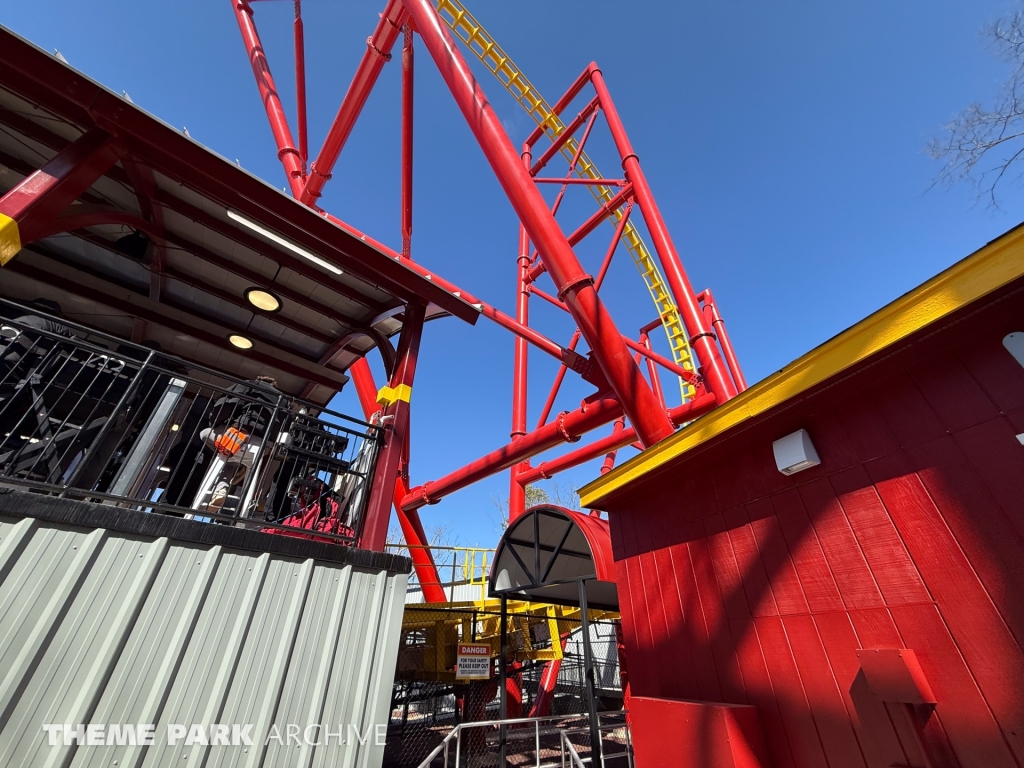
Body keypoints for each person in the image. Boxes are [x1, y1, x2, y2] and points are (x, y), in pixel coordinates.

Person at [197, 375, 282, 515]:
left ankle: (229, 470)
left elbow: (227, 406)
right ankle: (222, 487)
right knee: (230, 462)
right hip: (263, 447)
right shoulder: (282, 400)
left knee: (205, 433)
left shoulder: (251, 385)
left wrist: (217, 422)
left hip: (239, 435)